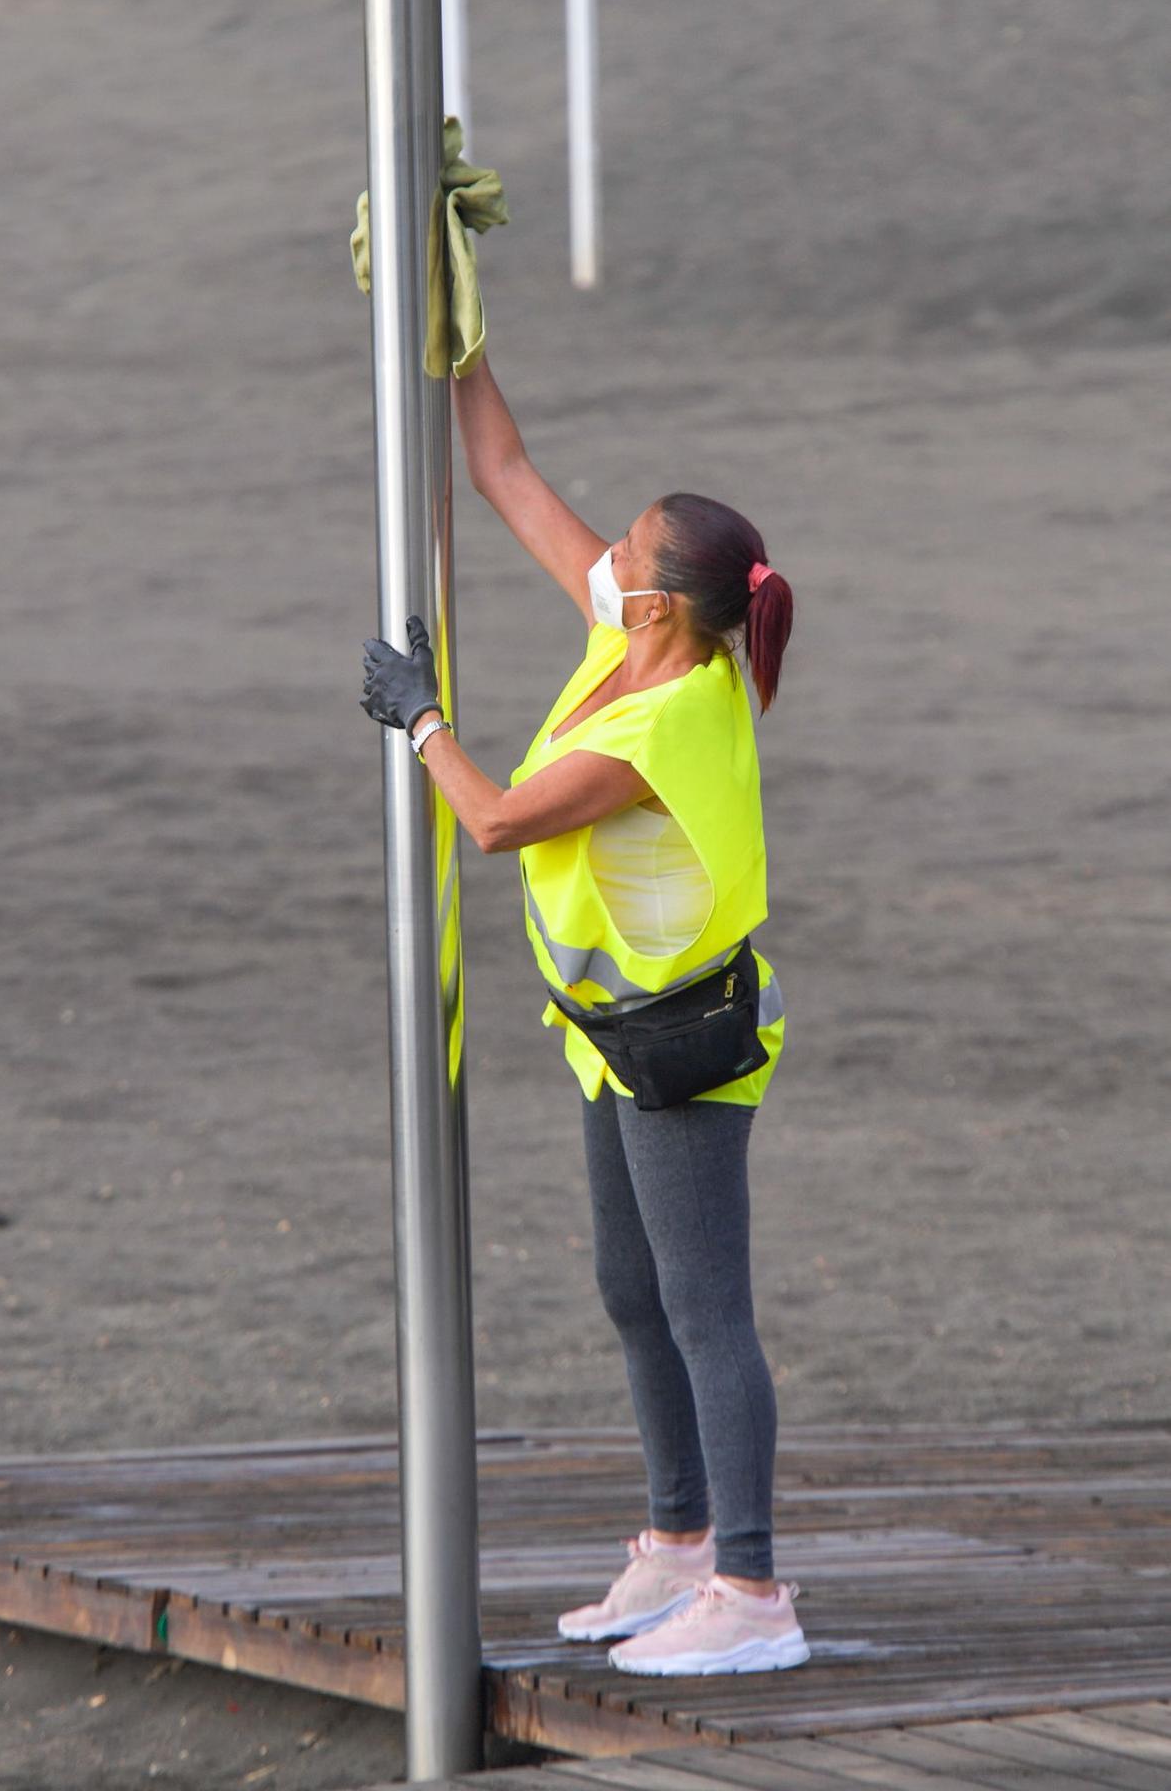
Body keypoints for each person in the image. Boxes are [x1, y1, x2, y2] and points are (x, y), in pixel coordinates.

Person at [359, 350, 808, 1680]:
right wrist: (460, 334)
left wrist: (420, 717)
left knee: (703, 1307)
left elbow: (493, 821)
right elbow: (503, 472)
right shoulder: (645, 630)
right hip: (609, 1035)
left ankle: (751, 1586)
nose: (606, 556)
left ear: (667, 606)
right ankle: (674, 1543)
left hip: (684, 1047)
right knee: (631, 1289)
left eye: (628, 552)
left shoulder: (662, 726)